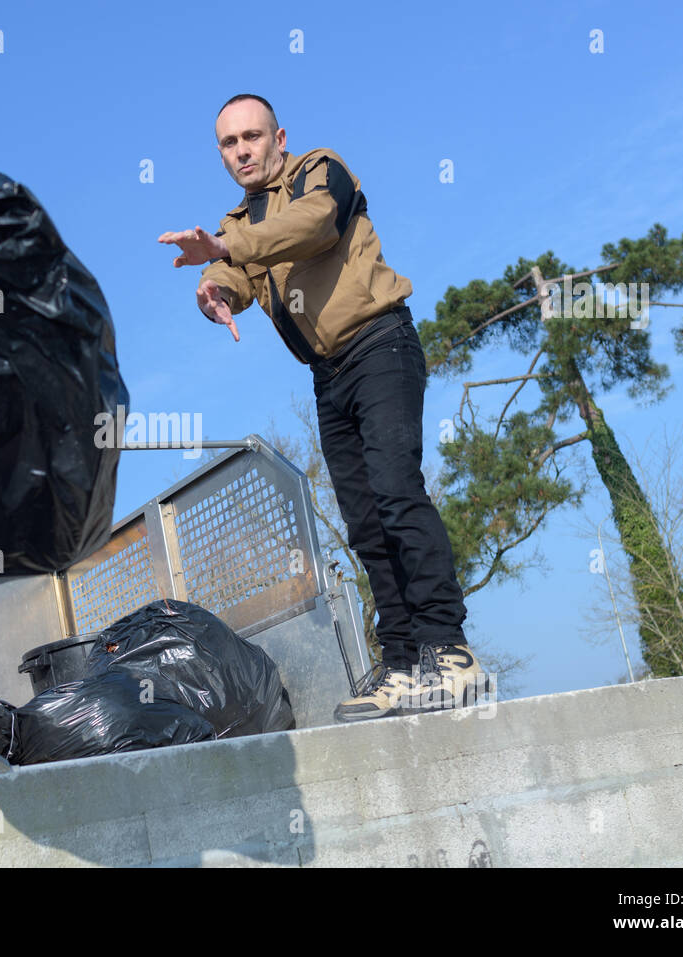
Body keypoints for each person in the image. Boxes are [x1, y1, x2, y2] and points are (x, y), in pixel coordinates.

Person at [158, 93, 486, 721]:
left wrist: (229, 253)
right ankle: (401, 662)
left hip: (379, 344)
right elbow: (239, 273)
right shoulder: (238, 221)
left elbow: (314, 226)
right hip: (327, 375)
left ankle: (449, 650)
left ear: (279, 136)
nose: (243, 151)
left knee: (396, 490)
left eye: (252, 136)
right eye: (229, 144)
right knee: (364, 521)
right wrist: (214, 289)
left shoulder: (318, 170)